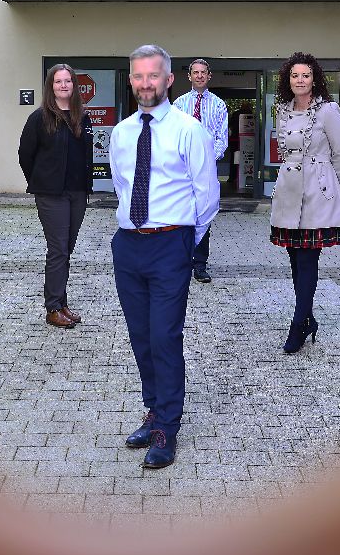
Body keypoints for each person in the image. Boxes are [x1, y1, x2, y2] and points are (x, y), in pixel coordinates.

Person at [109, 44, 219, 469]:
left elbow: (206, 196)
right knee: (140, 338)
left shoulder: (189, 130)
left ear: (169, 80)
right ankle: (153, 409)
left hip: (171, 242)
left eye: (153, 76)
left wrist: (183, 243)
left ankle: (166, 429)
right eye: (138, 76)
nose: (145, 83)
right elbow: (123, 185)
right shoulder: (122, 133)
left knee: (164, 337)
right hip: (128, 244)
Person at [269, 52, 340, 354]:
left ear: (314, 78)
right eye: (294, 76)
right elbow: (283, 150)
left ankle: (298, 323)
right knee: (294, 260)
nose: (300, 80)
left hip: (317, 193)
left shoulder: (328, 110)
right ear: (287, 80)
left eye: (305, 75)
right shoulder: (282, 109)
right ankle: (308, 317)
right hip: (289, 191)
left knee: (307, 260)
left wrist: (329, 187)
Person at [18, 64, 93, 328]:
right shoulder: (39, 118)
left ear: (74, 85)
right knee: (58, 249)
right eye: (58, 82)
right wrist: (40, 182)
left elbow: (86, 155)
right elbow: (25, 155)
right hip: (51, 194)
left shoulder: (82, 117)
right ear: (51, 86)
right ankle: (52, 308)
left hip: (77, 193)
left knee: (66, 249)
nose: (63, 85)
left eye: (68, 81)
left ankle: (61, 303)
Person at [171, 58, 228, 283]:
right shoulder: (178, 104)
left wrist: (203, 160)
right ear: (189, 76)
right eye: (196, 73)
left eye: (203, 72)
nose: (200, 76)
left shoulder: (219, 105)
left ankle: (200, 265)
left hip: (205, 170)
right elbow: (173, 136)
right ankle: (180, 262)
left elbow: (221, 139)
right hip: (183, 171)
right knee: (181, 214)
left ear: (209, 75)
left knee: (204, 214)